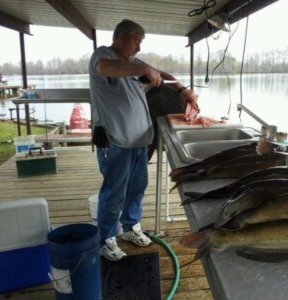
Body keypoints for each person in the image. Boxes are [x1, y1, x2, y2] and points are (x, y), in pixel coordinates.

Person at [89, 19, 198, 261]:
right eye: (136, 41)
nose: (139, 48)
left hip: (139, 141)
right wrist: (142, 70)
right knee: (113, 191)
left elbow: (160, 75)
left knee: (137, 187)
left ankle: (130, 227)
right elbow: (104, 68)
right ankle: (105, 239)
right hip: (115, 141)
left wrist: (181, 89)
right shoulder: (103, 56)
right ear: (121, 38)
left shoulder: (134, 64)